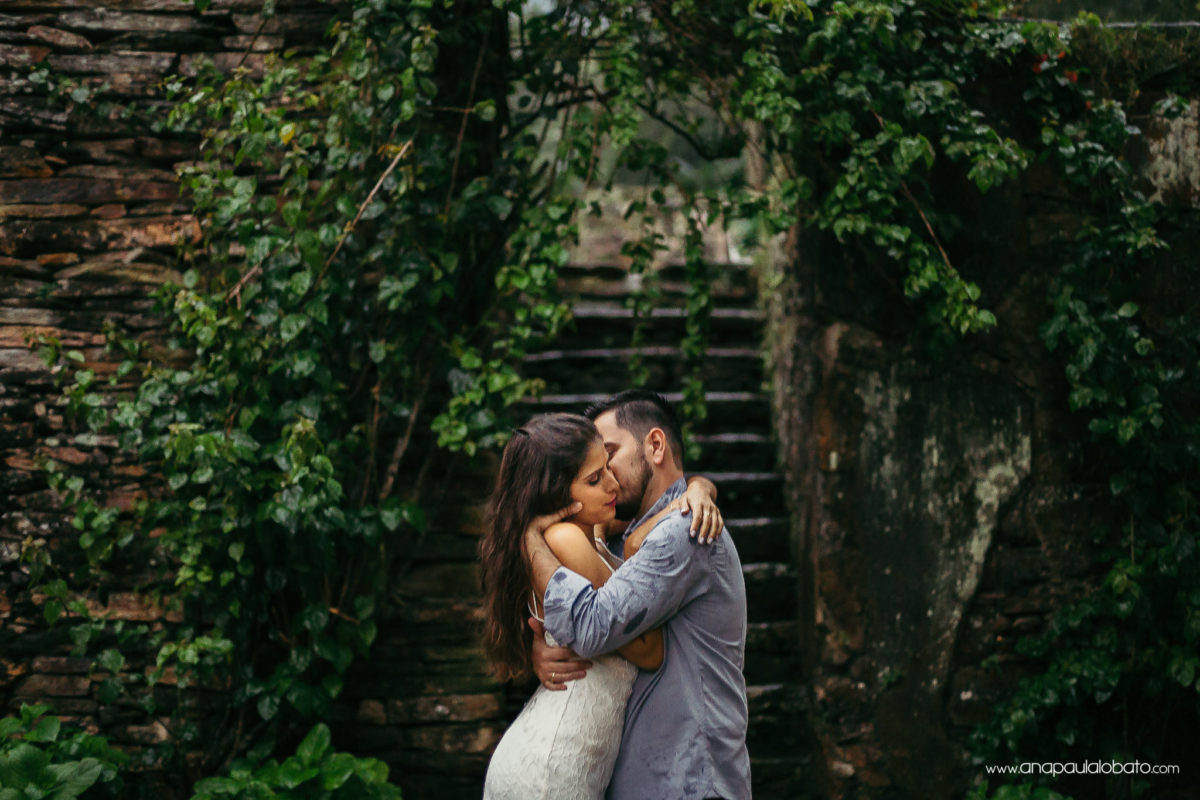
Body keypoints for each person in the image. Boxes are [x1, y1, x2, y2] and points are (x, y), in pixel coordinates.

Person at [480, 412, 724, 799]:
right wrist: (635, 552)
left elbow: (663, 503)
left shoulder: (588, 528)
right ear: (558, 495)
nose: (613, 484)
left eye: (607, 468)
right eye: (594, 480)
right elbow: (649, 650)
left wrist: (698, 489)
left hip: (569, 755)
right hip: (555, 765)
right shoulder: (566, 539)